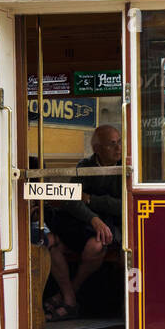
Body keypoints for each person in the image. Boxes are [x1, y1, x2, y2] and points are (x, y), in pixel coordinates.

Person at [44, 125, 124, 318]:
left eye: (119, 142)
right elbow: (73, 199)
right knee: (50, 242)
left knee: (97, 245)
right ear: (97, 149)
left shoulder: (124, 167)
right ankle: (70, 299)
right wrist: (93, 218)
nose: (118, 149)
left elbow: (122, 205)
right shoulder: (85, 165)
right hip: (81, 224)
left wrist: (91, 200)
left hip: (113, 227)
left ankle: (67, 294)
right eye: (111, 144)